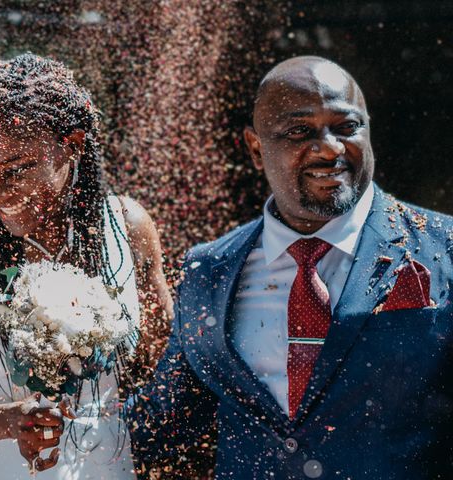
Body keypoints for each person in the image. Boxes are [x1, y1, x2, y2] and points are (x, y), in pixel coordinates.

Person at [129, 56, 453, 479]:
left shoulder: (444, 248)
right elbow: (164, 425)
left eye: (346, 127)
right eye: (300, 131)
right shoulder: (208, 270)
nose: (330, 148)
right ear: (255, 148)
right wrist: (64, 405)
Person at [0, 52, 172, 479]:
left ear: (72, 145)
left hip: (102, 466)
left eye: (17, 169)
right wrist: (4, 421)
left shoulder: (129, 228)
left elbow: (158, 364)